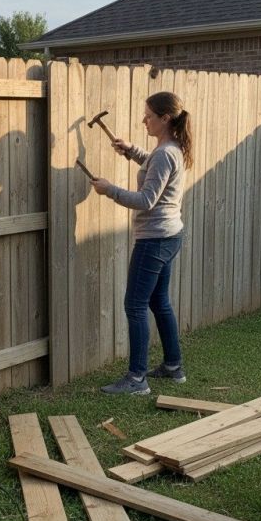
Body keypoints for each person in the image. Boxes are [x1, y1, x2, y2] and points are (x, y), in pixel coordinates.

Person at [89, 91, 193, 396]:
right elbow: (154, 166)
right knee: (159, 302)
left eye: (148, 116)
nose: (143, 120)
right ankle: (173, 367)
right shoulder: (172, 148)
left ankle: (137, 379)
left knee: (134, 304)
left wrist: (109, 189)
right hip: (170, 235)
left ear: (165, 118)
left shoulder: (165, 153)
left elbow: (146, 199)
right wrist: (131, 150)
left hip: (154, 240)